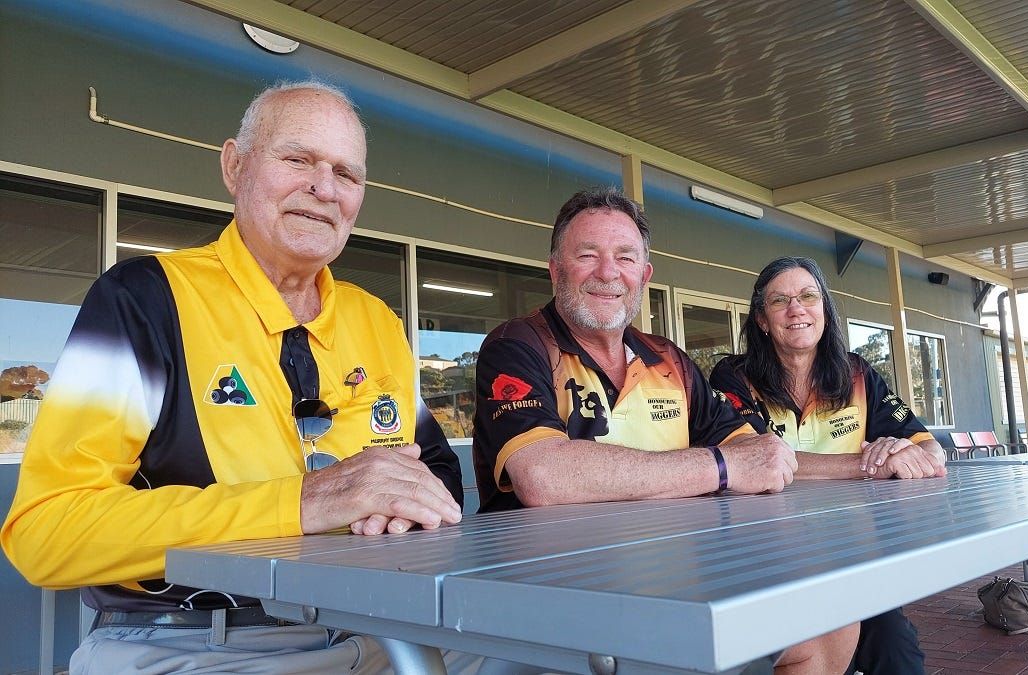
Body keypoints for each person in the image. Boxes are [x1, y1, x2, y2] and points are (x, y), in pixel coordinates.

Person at [2, 81, 463, 674]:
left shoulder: (377, 321)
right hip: (193, 642)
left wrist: (400, 506)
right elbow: (48, 534)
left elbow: (436, 473)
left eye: (347, 174)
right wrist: (302, 504)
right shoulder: (145, 300)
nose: (324, 189)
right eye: (297, 159)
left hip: (377, 632)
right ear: (235, 166)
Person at [471, 188, 857, 674]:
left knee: (832, 612)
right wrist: (719, 466)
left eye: (625, 257)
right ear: (555, 270)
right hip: (555, 598)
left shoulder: (668, 358)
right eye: (587, 255)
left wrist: (757, 463)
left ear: (644, 276)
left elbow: (758, 453)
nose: (608, 272)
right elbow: (543, 475)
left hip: (671, 578)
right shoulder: (518, 343)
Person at [710, 255, 947, 674]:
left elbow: (932, 453)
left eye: (808, 296)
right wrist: (871, 463)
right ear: (763, 320)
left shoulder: (858, 374)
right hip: (765, 561)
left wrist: (899, 449)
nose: (796, 309)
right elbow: (753, 460)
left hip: (851, 554)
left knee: (898, 653)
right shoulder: (733, 377)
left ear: (824, 310)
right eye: (780, 300)